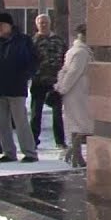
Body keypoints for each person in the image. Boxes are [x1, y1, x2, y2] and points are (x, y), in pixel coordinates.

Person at [0, 12, 39, 163]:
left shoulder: (22, 41)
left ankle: (30, 152)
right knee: (1, 122)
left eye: (2, 24)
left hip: (16, 87)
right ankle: (8, 152)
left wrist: (25, 76)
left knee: (20, 121)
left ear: (10, 26)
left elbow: (34, 61)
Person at [56, 24, 93, 168]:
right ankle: (71, 154)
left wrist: (61, 88)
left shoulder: (78, 51)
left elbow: (66, 71)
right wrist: (62, 88)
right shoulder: (81, 52)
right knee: (82, 125)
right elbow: (72, 72)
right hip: (78, 92)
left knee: (78, 125)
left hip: (76, 91)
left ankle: (75, 157)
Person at [29, 14, 67, 150]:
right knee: (35, 113)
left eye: (45, 22)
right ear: (36, 25)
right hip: (38, 81)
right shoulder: (32, 41)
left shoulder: (58, 40)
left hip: (55, 82)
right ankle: (33, 140)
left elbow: (65, 58)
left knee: (57, 114)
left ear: (50, 23)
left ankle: (60, 141)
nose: (43, 25)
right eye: (40, 23)